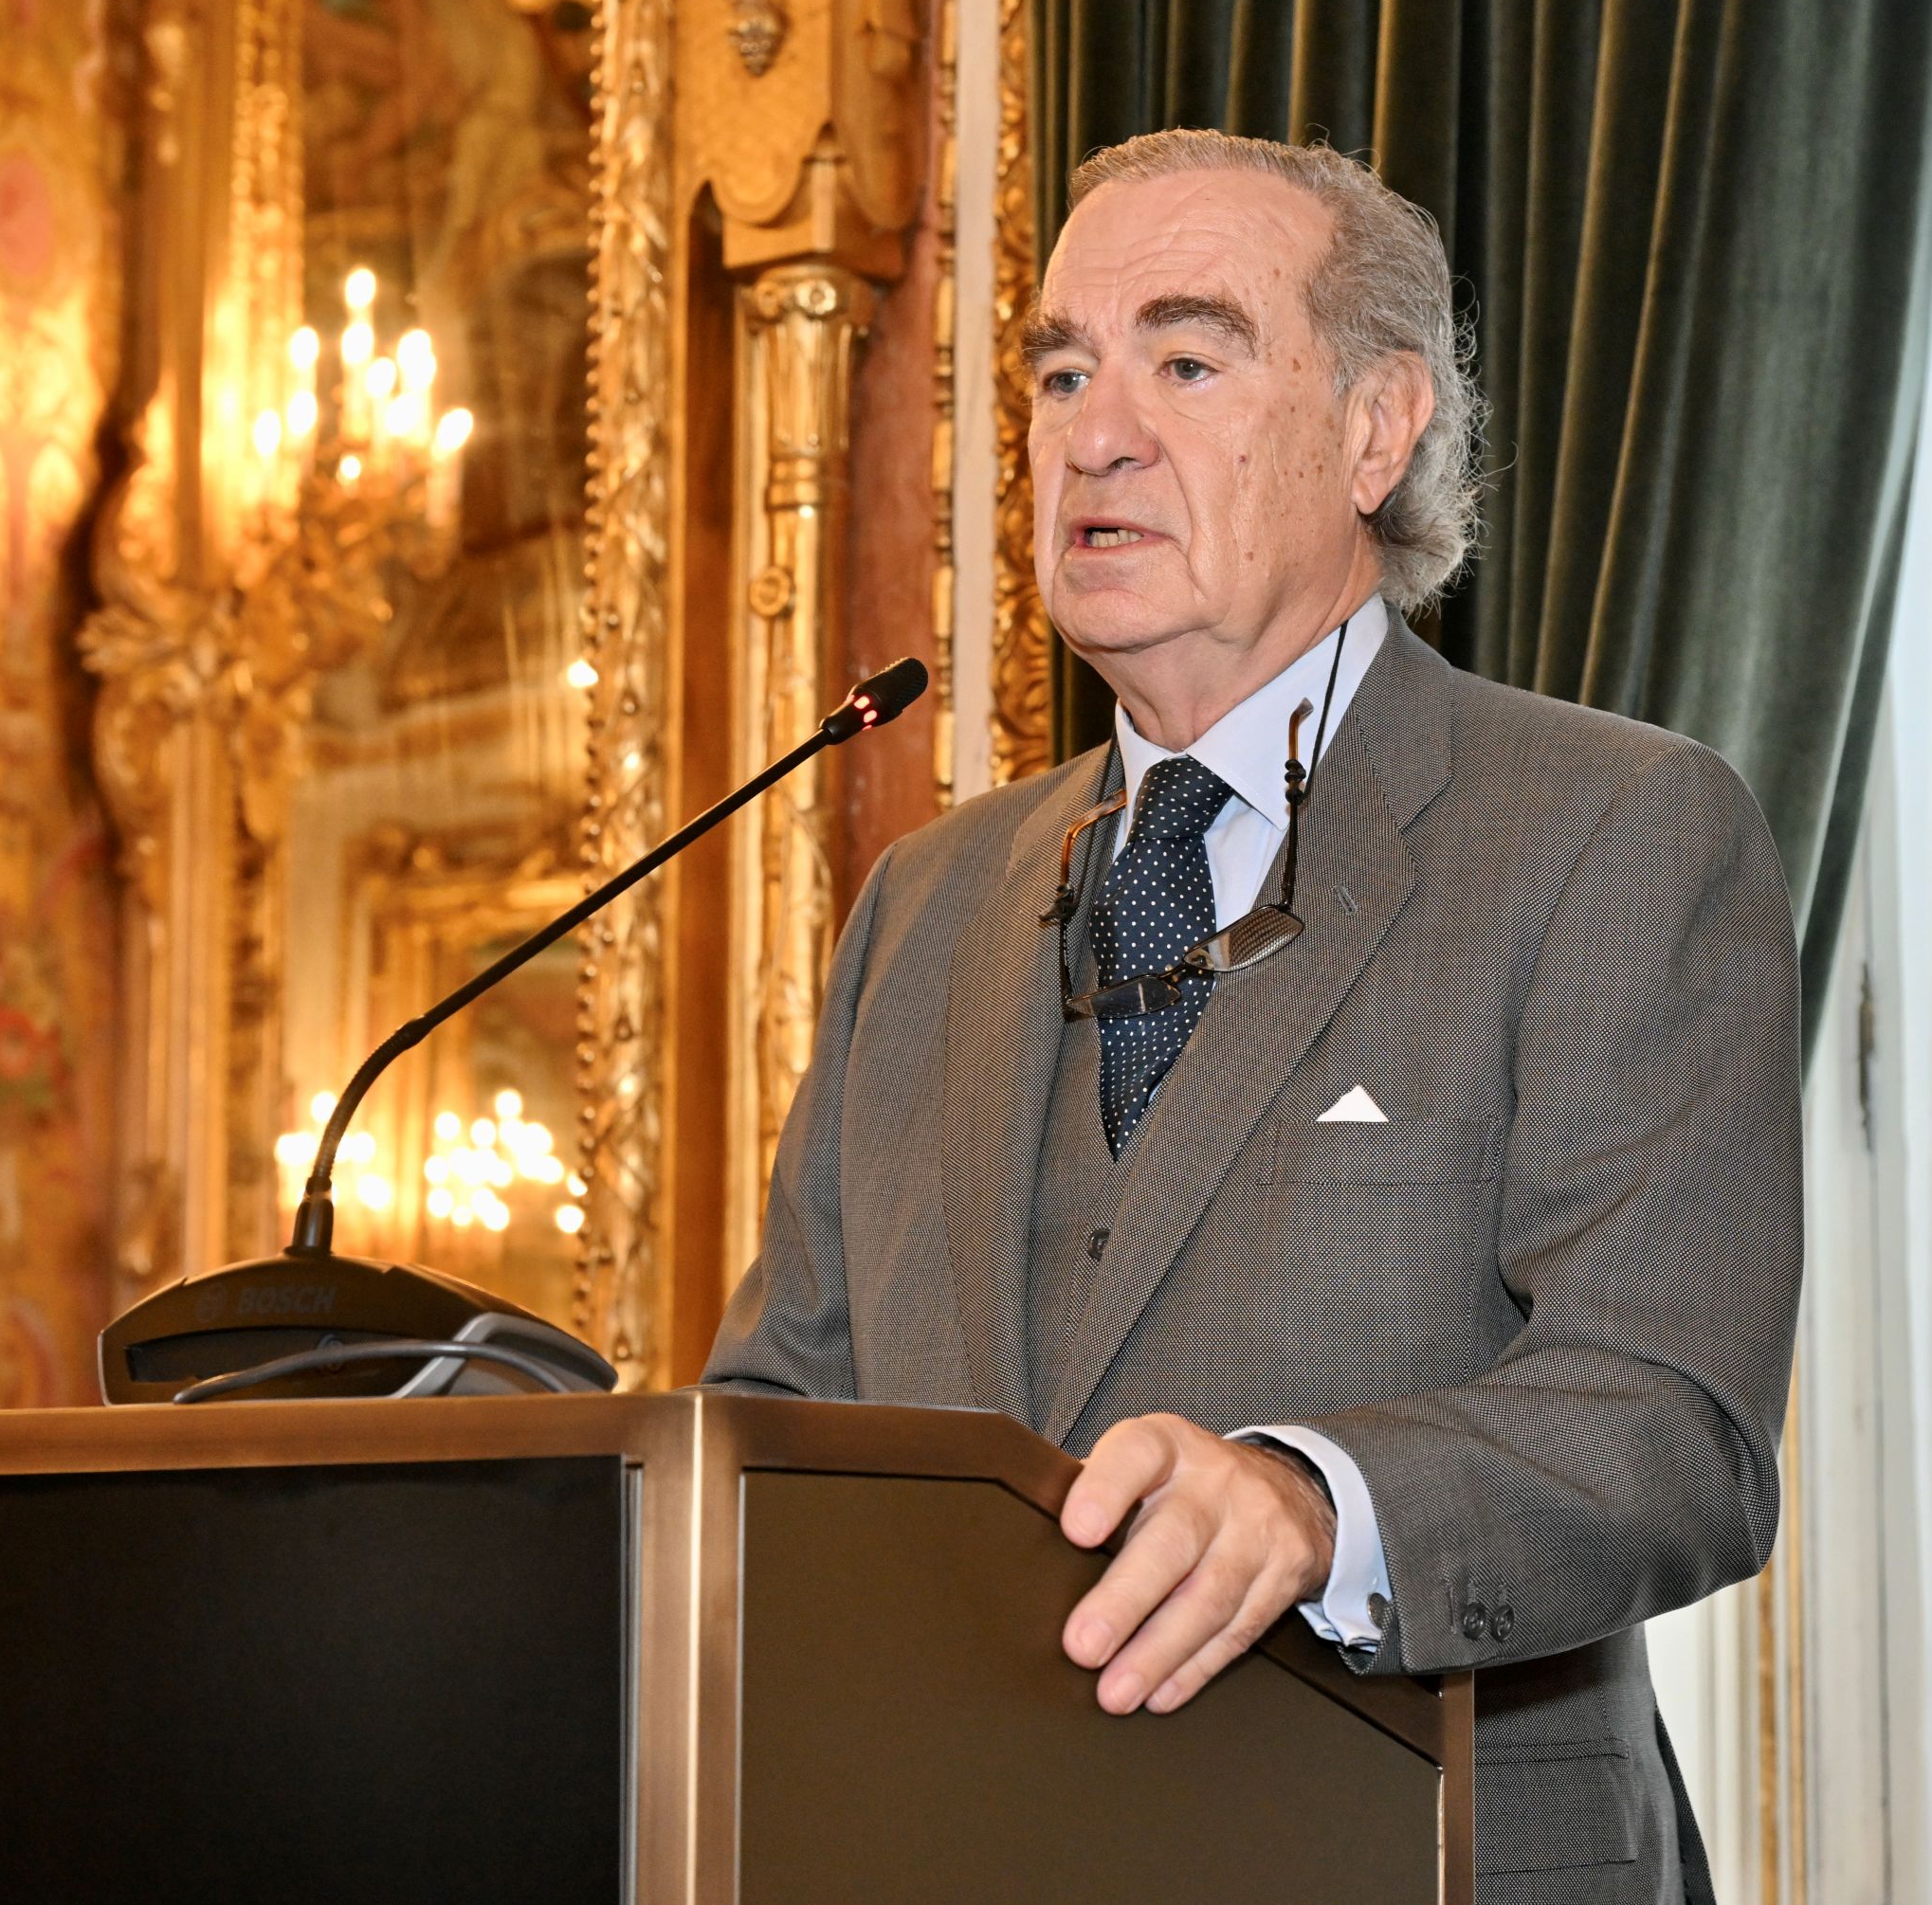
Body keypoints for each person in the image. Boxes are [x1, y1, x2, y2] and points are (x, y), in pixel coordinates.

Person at [701, 128, 1801, 1902]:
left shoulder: (1611, 829)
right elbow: (782, 1420)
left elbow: (1673, 1424)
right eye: (1062, 370)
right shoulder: (925, 900)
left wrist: (1312, 1500)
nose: (1094, 432)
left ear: (1376, 428)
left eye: (1187, 361)